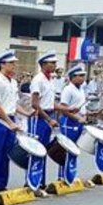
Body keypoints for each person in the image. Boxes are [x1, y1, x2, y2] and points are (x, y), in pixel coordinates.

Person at [0, 50, 30, 196]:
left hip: (9, 119)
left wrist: (25, 113)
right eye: (11, 63)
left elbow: (13, 104)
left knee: (6, 155)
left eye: (14, 63)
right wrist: (10, 123)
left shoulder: (13, 82)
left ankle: (1, 184)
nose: (14, 66)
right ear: (2, 64)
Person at [29, 51, 60, 192]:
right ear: (43, 64)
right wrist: (48, 119)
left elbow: (50, 102)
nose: (54, 65)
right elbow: (35, 104)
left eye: (55, 63)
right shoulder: (38, 80)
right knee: (37, 150)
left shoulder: (50, 80)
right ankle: (32, 181)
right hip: (40, 118)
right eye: (51, 63)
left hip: (49, 115)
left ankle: (41, 181)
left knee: (44, 150)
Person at [56, 65, 88, 182]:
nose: (82, 78)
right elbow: (64, 109)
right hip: (69, 121)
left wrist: (86, 115)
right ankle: (62, 175)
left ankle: (70, 173)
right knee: (67, 149)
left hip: (79, 121)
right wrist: (77, 118)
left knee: (75, 149)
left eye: (83, 76)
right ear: (72, 77)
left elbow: (80, 107)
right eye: (79, 76)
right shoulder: (68, 89)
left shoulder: (81, 89)